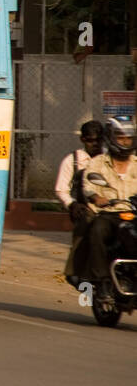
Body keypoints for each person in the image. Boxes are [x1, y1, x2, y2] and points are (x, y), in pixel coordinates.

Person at [78, 116, 137, 308]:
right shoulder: (97, 164)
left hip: (133, 214)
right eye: (121, 138)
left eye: (128, 138)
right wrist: (97, 198)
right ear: (111, 138)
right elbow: (88, 186)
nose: (125, 142)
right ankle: (102, 282)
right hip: (109, 214)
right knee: (97, 230)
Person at [57, 120, 104, 285]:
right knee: (83, 233)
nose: (95, 144)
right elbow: (61, 189)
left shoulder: (108, 158)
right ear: (83, 140)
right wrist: (72, 204)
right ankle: (75, 272)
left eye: (99, 140)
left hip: (110, 208)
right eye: (91, 140)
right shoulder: (73, 160)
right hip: (86, 210)